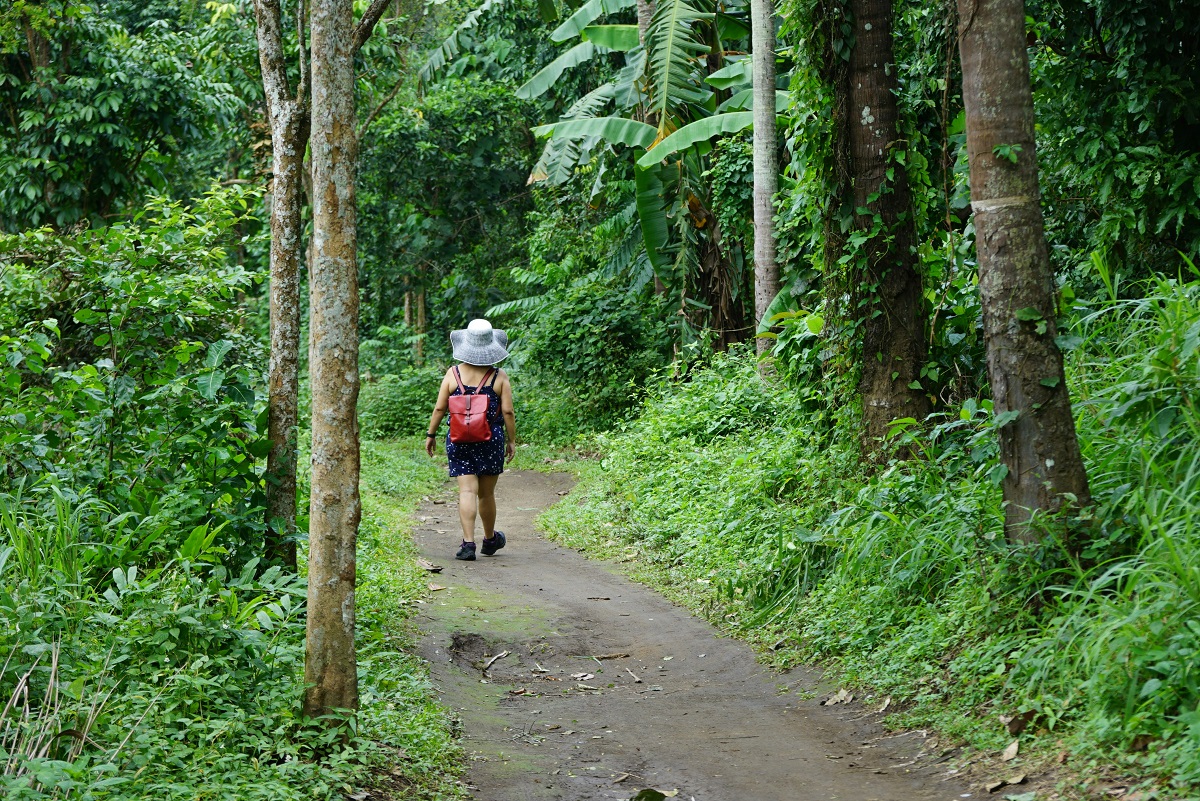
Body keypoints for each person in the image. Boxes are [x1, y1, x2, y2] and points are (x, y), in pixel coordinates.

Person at [425, 319, 516, 561]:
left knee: (466, 491)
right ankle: (490, 539)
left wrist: (431, 435)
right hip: (490, 440)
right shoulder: (499, 376)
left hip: (459, 440)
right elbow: (508, 412)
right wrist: (512, 440)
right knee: (486, 494)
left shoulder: (452, 374)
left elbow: (439, 408)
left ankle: (467, 544)